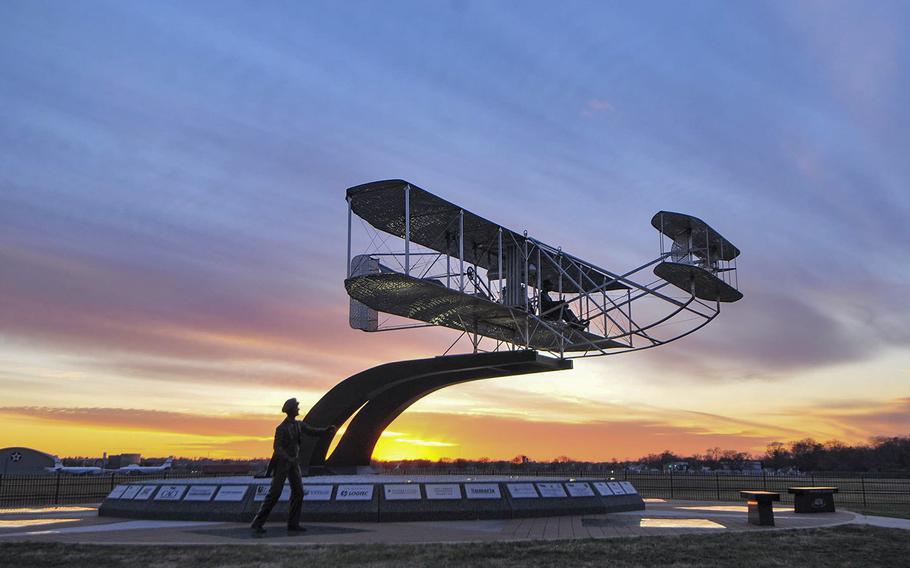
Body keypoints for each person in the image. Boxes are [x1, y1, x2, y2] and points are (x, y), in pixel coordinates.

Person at [250, 398, 336, 536]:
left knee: (299, 492)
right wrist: (288, 458)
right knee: (274, 494)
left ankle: (293, 524)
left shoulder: (299, 425)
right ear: (291, 410)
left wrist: (326, 431)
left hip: (294, 464)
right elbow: (277, 447)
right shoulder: (281, 428)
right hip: (282, 464)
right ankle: (257, 523)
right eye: (296, 407)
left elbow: (312, 431)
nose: (298, 409)